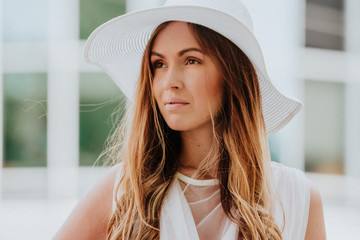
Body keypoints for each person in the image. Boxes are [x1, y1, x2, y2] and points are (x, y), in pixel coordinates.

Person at [54, 0, 326, 239]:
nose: (169, 82)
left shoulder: (297, 197)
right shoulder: (125, 191)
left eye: (191, 60)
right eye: (159, 64)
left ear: (233, 77)